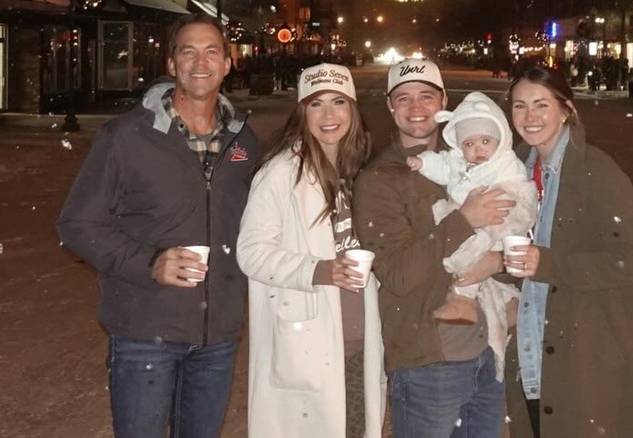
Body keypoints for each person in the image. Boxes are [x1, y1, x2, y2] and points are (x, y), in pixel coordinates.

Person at [55, 14, 259, 438]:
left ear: (227, 63)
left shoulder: (244, 140)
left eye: (211, 52)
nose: (200, 62)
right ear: (171, 65)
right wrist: (149, 262)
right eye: (188, 51)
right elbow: (77, 222)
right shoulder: (126, 136)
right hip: (145, 330)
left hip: (217, 335)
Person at [353, 58, 515, 438]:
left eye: (426, 96)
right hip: (429, 361)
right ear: (390, 107)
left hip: (487, 351)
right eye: (403, 99)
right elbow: (396, 274)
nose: (416, 108)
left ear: (443, 101)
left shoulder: (476, 159)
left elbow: (513, 233)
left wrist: (500, 261)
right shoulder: (379, 180)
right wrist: (464, 220)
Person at [236, 63, 386, 438]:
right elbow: (251, 251)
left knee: (353, 428)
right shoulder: (281, 172)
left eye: (339, 102)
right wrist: (318, 270)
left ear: (353, 109)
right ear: (302, 113)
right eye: (316, 104)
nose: (329, 115)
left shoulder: (358, 169)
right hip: (310, 338)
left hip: (357, 336)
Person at [503, 65, 633, 438]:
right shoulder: (514, 172)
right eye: (520, 106)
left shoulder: (596, 171)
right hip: (530, 348)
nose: (530, 117)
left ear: (565, 109)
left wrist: (549, 263)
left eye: (541, 105)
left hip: (585, 354)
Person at [406, 91, 537, 380]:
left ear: (499, 140)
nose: (478, 150)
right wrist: (422, 163)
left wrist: (497, 213)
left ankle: (495, 302)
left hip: (501, 215)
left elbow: (518, 192)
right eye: (469, 144)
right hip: (472, 218)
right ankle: (474, 303)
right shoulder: (458, 162)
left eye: (485, 142)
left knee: (473, 251)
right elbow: (441, 165)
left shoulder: (505, 162)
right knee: (447, 222)